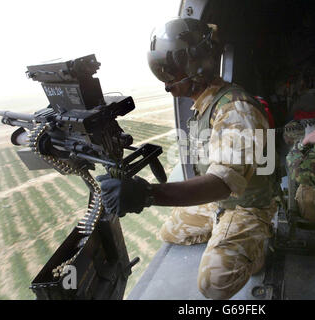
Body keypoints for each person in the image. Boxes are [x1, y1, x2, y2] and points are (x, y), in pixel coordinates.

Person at [98, 18, 276, 300]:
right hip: (221, 202)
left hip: (247, 206)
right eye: (163, 72)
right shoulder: (206, 104)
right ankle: (223, 227)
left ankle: (258, 245)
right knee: (170, 231)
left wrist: (147, 194)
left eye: (171, 71)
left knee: (213, 284)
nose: (167, 82)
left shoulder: (235, 109)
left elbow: (221, 183)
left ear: (198, 66)